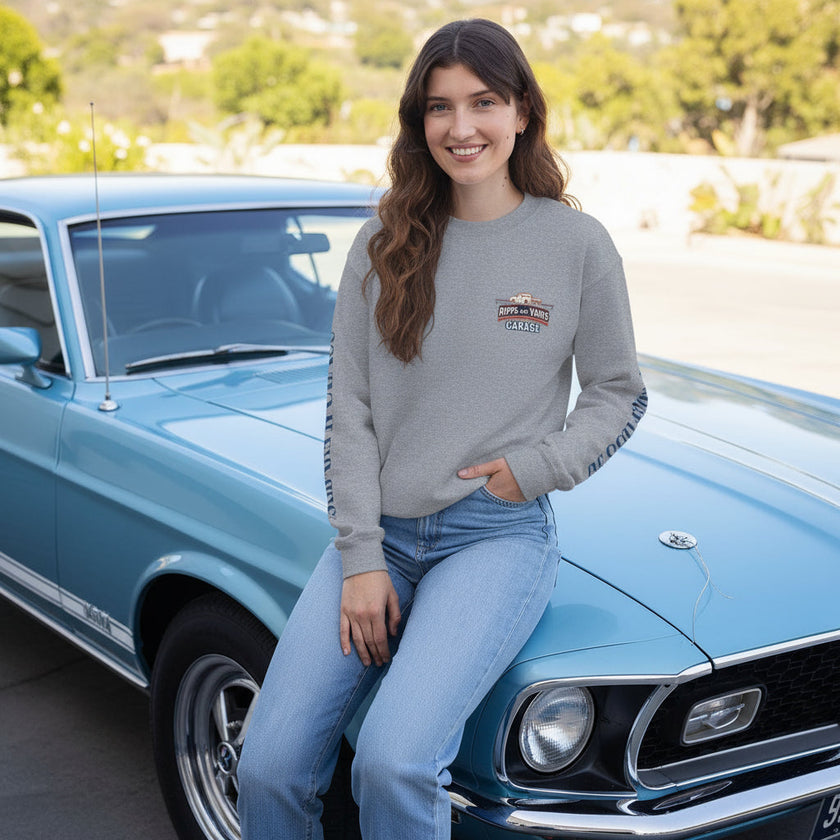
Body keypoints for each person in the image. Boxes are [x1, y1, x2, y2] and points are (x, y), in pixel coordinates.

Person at [237, 17, 647, 840]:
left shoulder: (575, 244)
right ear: (418, 121)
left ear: (522, 111)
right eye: (440, 107)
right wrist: (361, 558)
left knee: (394, 762)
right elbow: (349, 411)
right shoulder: (382, 243)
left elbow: (618, 394)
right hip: (380, 537)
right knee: (267, 766)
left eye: (484, 102)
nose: (462, 127)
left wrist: (535, 468)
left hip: (495, 536)